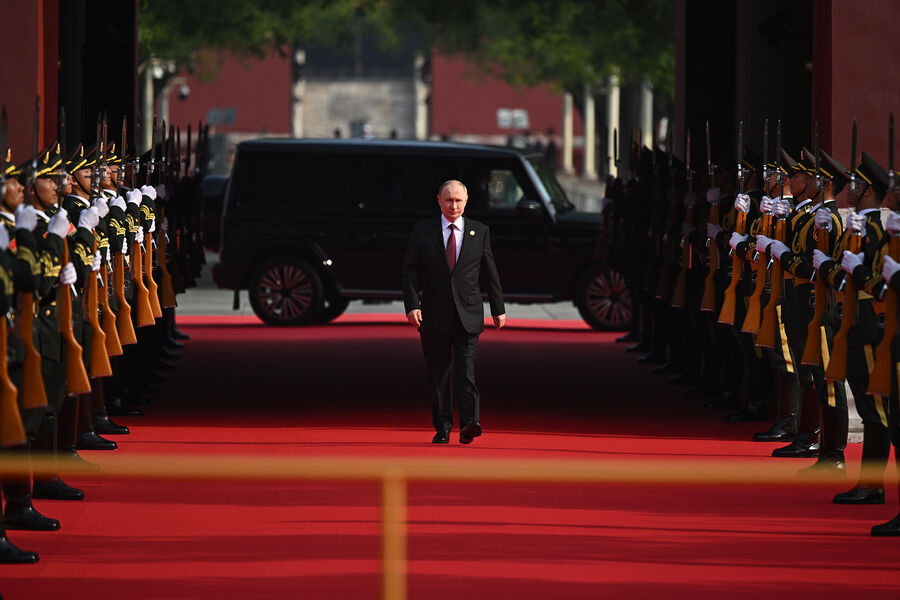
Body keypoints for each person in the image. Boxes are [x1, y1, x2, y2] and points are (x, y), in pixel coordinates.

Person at [401, 179, 506, 444]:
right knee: (439, 373)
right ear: (439, 200)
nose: (454, 205)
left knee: (465, 369)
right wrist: (412, 305)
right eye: (448, 200)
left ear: (466, 201)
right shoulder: (423, 231)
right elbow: (409, 270)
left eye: (459, 200)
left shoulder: (479, 231)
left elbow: (490, 271)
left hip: (468, 312)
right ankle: (443, 426)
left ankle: (470, 422)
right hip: (433, 313)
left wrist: (498, 308)